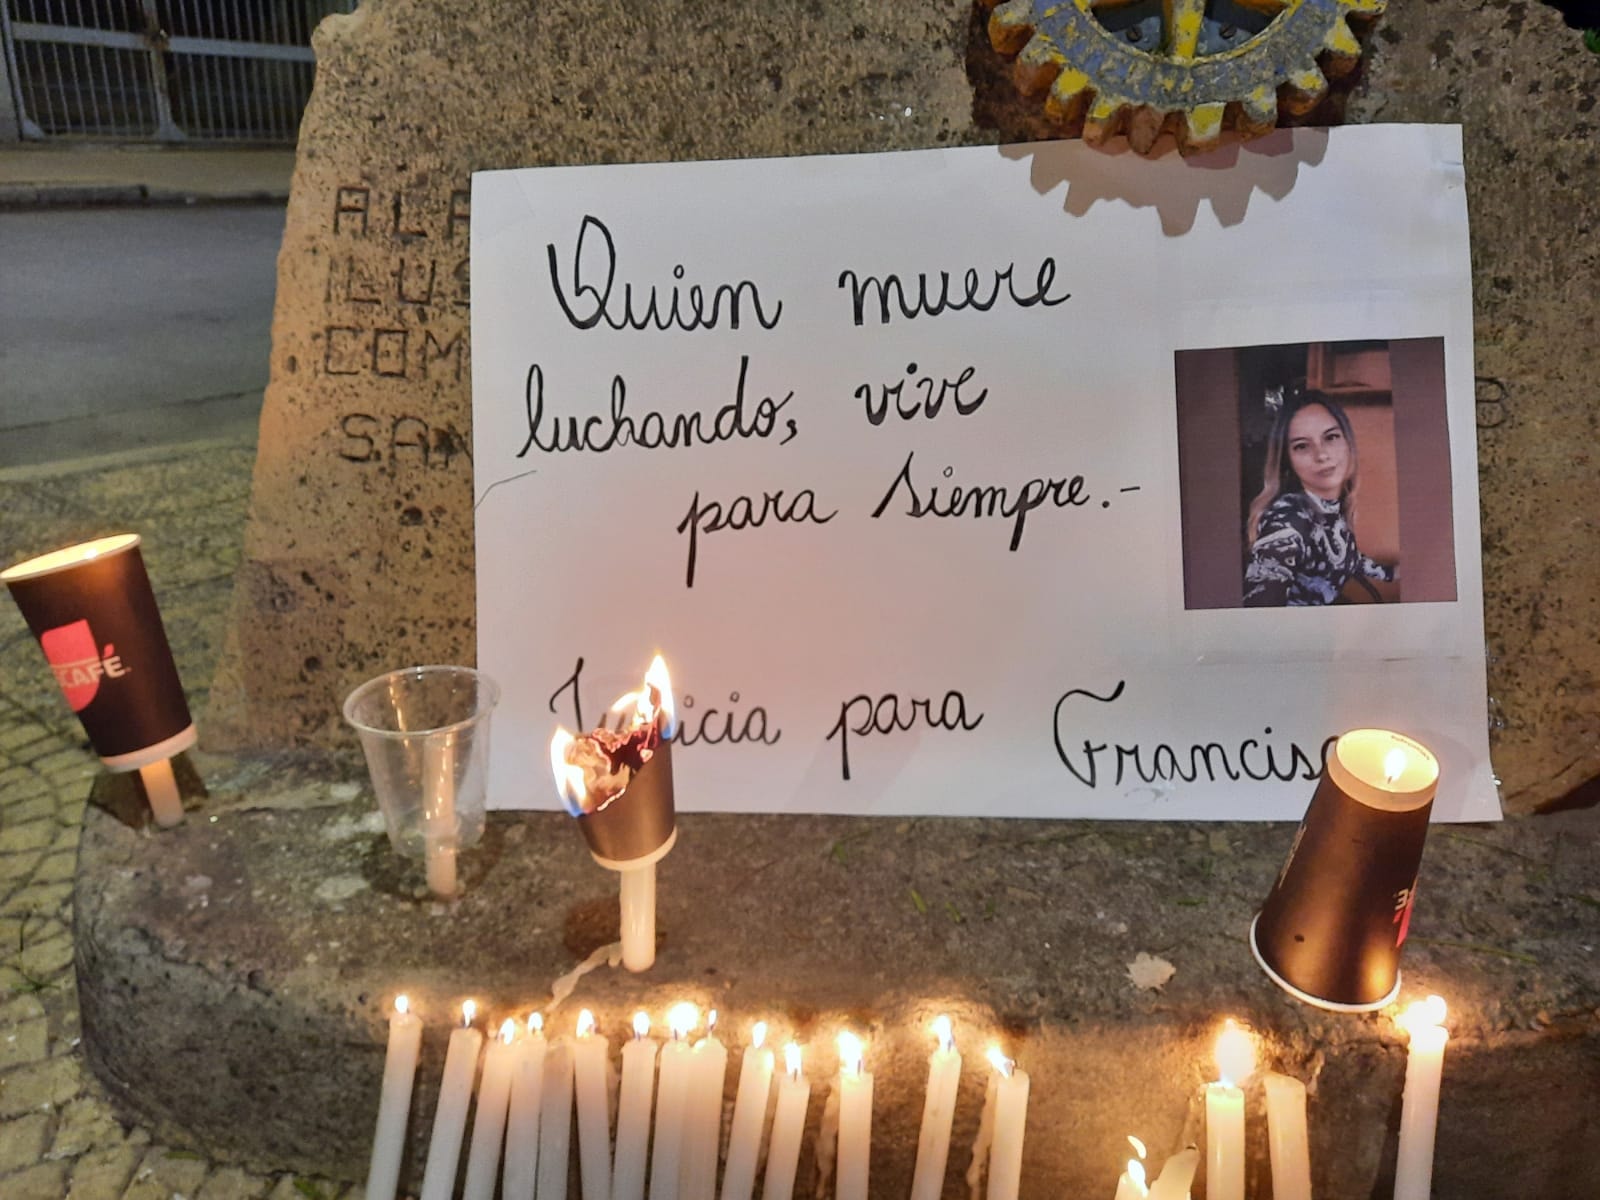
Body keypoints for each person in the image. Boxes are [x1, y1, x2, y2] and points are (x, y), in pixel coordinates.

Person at [1243, 392, 1395, 606]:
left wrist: (1391, 573)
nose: (1321, 455)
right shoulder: (1289, 520)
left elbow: (1348, 558)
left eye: (1331, 437)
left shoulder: (1332, 508)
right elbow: (1262, 600)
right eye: (1302, 446)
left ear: (1348, 442)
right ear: (1288, 460)